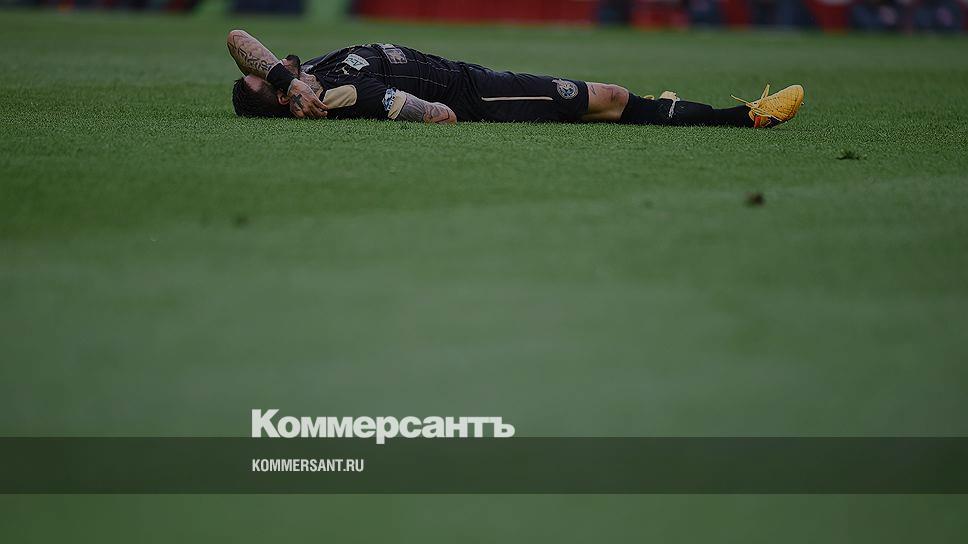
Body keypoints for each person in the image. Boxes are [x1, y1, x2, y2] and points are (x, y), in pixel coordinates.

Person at [227, 29, 803, 128]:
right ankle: (746, 117)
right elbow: (435, 114)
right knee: (610, 98)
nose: (273, 68)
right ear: (282, 101)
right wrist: (421, 110)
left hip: (471, 75)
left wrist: (281, 76)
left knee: (617, 103)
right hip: (479, 94)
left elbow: (237, 39)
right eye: (270, 81)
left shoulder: (305, 72)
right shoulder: (335, 93)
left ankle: (659, 108)